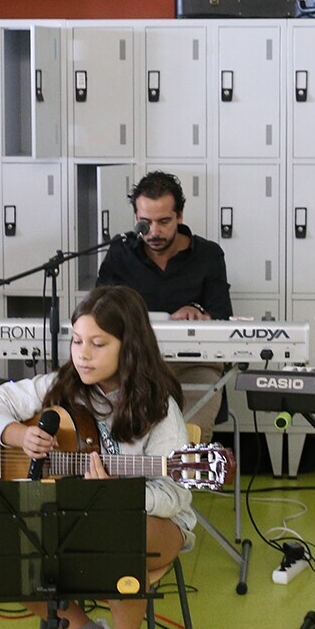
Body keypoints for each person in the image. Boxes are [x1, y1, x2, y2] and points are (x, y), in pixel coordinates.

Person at [0, 286, 197, 629]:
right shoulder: (61, 387)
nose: (83, 355)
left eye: (98, 344)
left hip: (155, 526)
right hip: (72, 520)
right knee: (8, 548)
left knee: (112, 525)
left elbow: (175, 494)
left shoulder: (158, 408)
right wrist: (17, 435)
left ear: (129, 346)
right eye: (76, 341)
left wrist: (116, 495)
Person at [93, 170, 232, 434]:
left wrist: (197, 311)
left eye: (164, 221)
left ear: (179, 216)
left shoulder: (208, 254)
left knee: (189, 434)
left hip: (194, 363)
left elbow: (222, 313)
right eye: (145, 223)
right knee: (124, 431)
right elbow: (99, 311)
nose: (154, 232)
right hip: (134, 362)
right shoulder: (121, 252)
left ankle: (186, 461)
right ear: (136, 218)